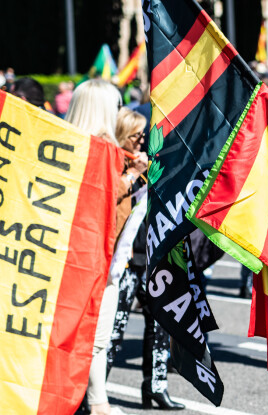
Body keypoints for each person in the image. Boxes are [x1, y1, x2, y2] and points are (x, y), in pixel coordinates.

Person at [66, 80, 148, 415]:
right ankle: (97, 404)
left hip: (75, 258)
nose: (119, 111)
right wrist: (132, 177)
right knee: (95, 338)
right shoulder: (101, 150)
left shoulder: (70, 143)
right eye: (114, 105)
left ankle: (95, 401)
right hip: (97, 260)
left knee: (81, 337)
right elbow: (101, 201)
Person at [106, 108, 184, 410]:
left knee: (161, 326)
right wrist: (135, 174)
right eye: (138, 135)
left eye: (145, 136)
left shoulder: (156, 163)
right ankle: (95, 390)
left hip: (155, 255)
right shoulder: (115, 161)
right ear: (125, 134)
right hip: (124, 260)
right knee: (114, 328)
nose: (142, 141)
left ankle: (155, 387)